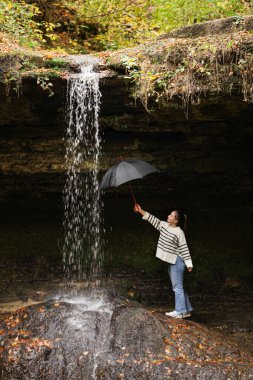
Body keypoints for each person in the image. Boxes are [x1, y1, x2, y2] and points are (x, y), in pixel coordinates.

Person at [134, 204, 193, 319]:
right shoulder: (164, 226)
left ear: (175, 220)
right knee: (178, 286)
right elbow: (152, 219)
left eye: (171, 216)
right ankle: (187, 310)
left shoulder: (179, 232)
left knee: (177, 288)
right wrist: (140, 210)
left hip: (177, 262)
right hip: (171, 262)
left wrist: (189, 264)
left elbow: (184, 248)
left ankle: (180, 311)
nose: (168, 216)